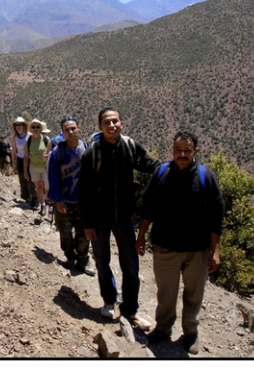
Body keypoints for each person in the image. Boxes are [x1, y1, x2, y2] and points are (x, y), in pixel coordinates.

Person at [136, 130, 225, 355]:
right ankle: (163, 329)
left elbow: (217, 215)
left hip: (198, 250)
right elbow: (148, 206)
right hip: (165, 246)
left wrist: (215, 251)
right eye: (178, 150)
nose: (182, 154)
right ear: (172, 150)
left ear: (196, 151)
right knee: (166, 293)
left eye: (187, 150)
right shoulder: (162, 173)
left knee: (194, 294)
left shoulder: (206, 177)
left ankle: (190, 333)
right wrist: (141, 235)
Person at [78, 106, 159, 329]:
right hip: (99, 218)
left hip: (124, 217)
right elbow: (83, 191)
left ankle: (131, 310)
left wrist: (170, 169)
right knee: (102, 261)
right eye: (107, 123)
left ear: (121, 123)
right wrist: (88, 223)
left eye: (115, 121)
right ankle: (109, 301)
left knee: (131, 265)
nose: (112, 126)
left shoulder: (130, 147)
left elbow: (148, 164)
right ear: (100, 127)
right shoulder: (91, 153)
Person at [47, 117, 94, 276]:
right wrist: (58, 200)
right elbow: (52, 177)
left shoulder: (87, 149)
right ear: (63, 132)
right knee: (65, 233)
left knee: (83, 233)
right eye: (67, 130)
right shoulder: (57, 152)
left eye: (73, 128)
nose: (71, 132)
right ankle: (70, 257)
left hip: (83, 202)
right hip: (64, 201)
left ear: (79, 127)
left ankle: (83, 260)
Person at [24, 119, 52, 216]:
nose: (35, 129)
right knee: (39, 188)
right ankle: (43, 205)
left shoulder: (46, 139)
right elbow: (26, 157)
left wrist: (46, 156)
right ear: (30, 129)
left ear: (41, 129)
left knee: (46, 188)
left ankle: (49, 207)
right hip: (34, 167)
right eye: (33, 127)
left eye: (37, 127)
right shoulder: (29, 141)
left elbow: (51, 153)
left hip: (45, 167)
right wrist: (25, 171)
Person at [10, 117, 38, 209]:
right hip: (20, 159)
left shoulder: (29, 136)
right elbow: (13, 152)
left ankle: (35, 199)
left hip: (30, 160)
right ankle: (26, 198)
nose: (18, 126)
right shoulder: (15, 138)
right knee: (22, 180)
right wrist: (14, 165)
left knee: (31, 180)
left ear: (24, 125)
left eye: (20, 124)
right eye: (16, 125)